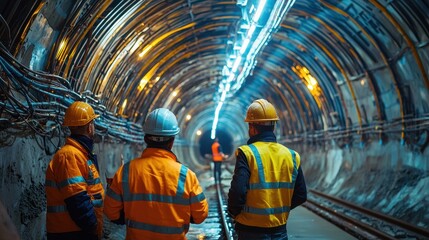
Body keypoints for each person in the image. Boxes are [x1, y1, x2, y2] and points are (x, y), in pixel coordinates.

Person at [104, 108, 209, 240]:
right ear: (172, 141)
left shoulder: (126, 171)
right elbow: (200, 215)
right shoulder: (185, 175)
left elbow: (111, 212)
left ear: (146, 138)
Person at [228, 99, 307, 240]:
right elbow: (301, 195)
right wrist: (279, 211)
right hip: (280, 231)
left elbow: (238, 191)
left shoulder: (247, 153)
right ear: (273, 126)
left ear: (252, 128)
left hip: (250, 231)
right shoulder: (292, 155)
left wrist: (235, 213)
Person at [45, 101, 104, 240]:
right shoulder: (69, 155)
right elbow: (77, 200)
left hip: (76, 230)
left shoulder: (80, 154)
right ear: (90, 127)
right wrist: (93, 228)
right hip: (72, 232)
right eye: (93, 123)